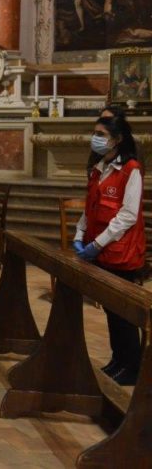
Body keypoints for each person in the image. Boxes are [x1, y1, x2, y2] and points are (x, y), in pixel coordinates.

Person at [73, 113, 147, 386]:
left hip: (121, 252)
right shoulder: (99, 167)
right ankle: (119, 360)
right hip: (101, 249)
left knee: (123, 313)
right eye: (95, 133)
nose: (95, 138)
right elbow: (90, 206)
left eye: (101, 135)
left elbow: (128, 215)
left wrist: (97, 244)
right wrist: (80, 235)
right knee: (110, 310)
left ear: (117, 139)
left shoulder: (131, 169)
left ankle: (132, 367)